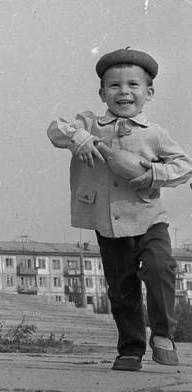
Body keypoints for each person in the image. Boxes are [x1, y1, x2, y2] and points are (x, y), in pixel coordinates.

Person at [47, 47, 192, 372]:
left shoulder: (154, 134)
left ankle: (163, 334)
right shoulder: (89, 123)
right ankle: (130, 348)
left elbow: (185, 167)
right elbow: (57, 128)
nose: (123, 92)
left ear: (148, 92)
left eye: (133, 85)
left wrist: (154, 173)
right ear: (102, 92)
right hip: (107, 221)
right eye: (114, 86)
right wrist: (83, 141)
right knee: (121, 288)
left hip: (148, 217)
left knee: (159, 269)